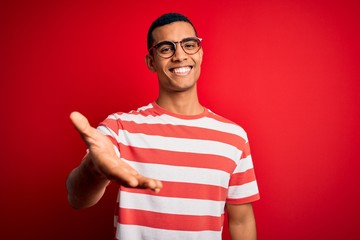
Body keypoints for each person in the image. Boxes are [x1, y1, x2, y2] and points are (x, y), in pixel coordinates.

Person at [67, 12, 260, 240]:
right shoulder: (120, 128)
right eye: (166, 48)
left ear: (200, 53)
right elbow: (77, 198)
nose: (180, 56)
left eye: (189, 45)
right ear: (151, 62)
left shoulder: (233, 137)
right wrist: (94, 169)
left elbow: (242, 221)